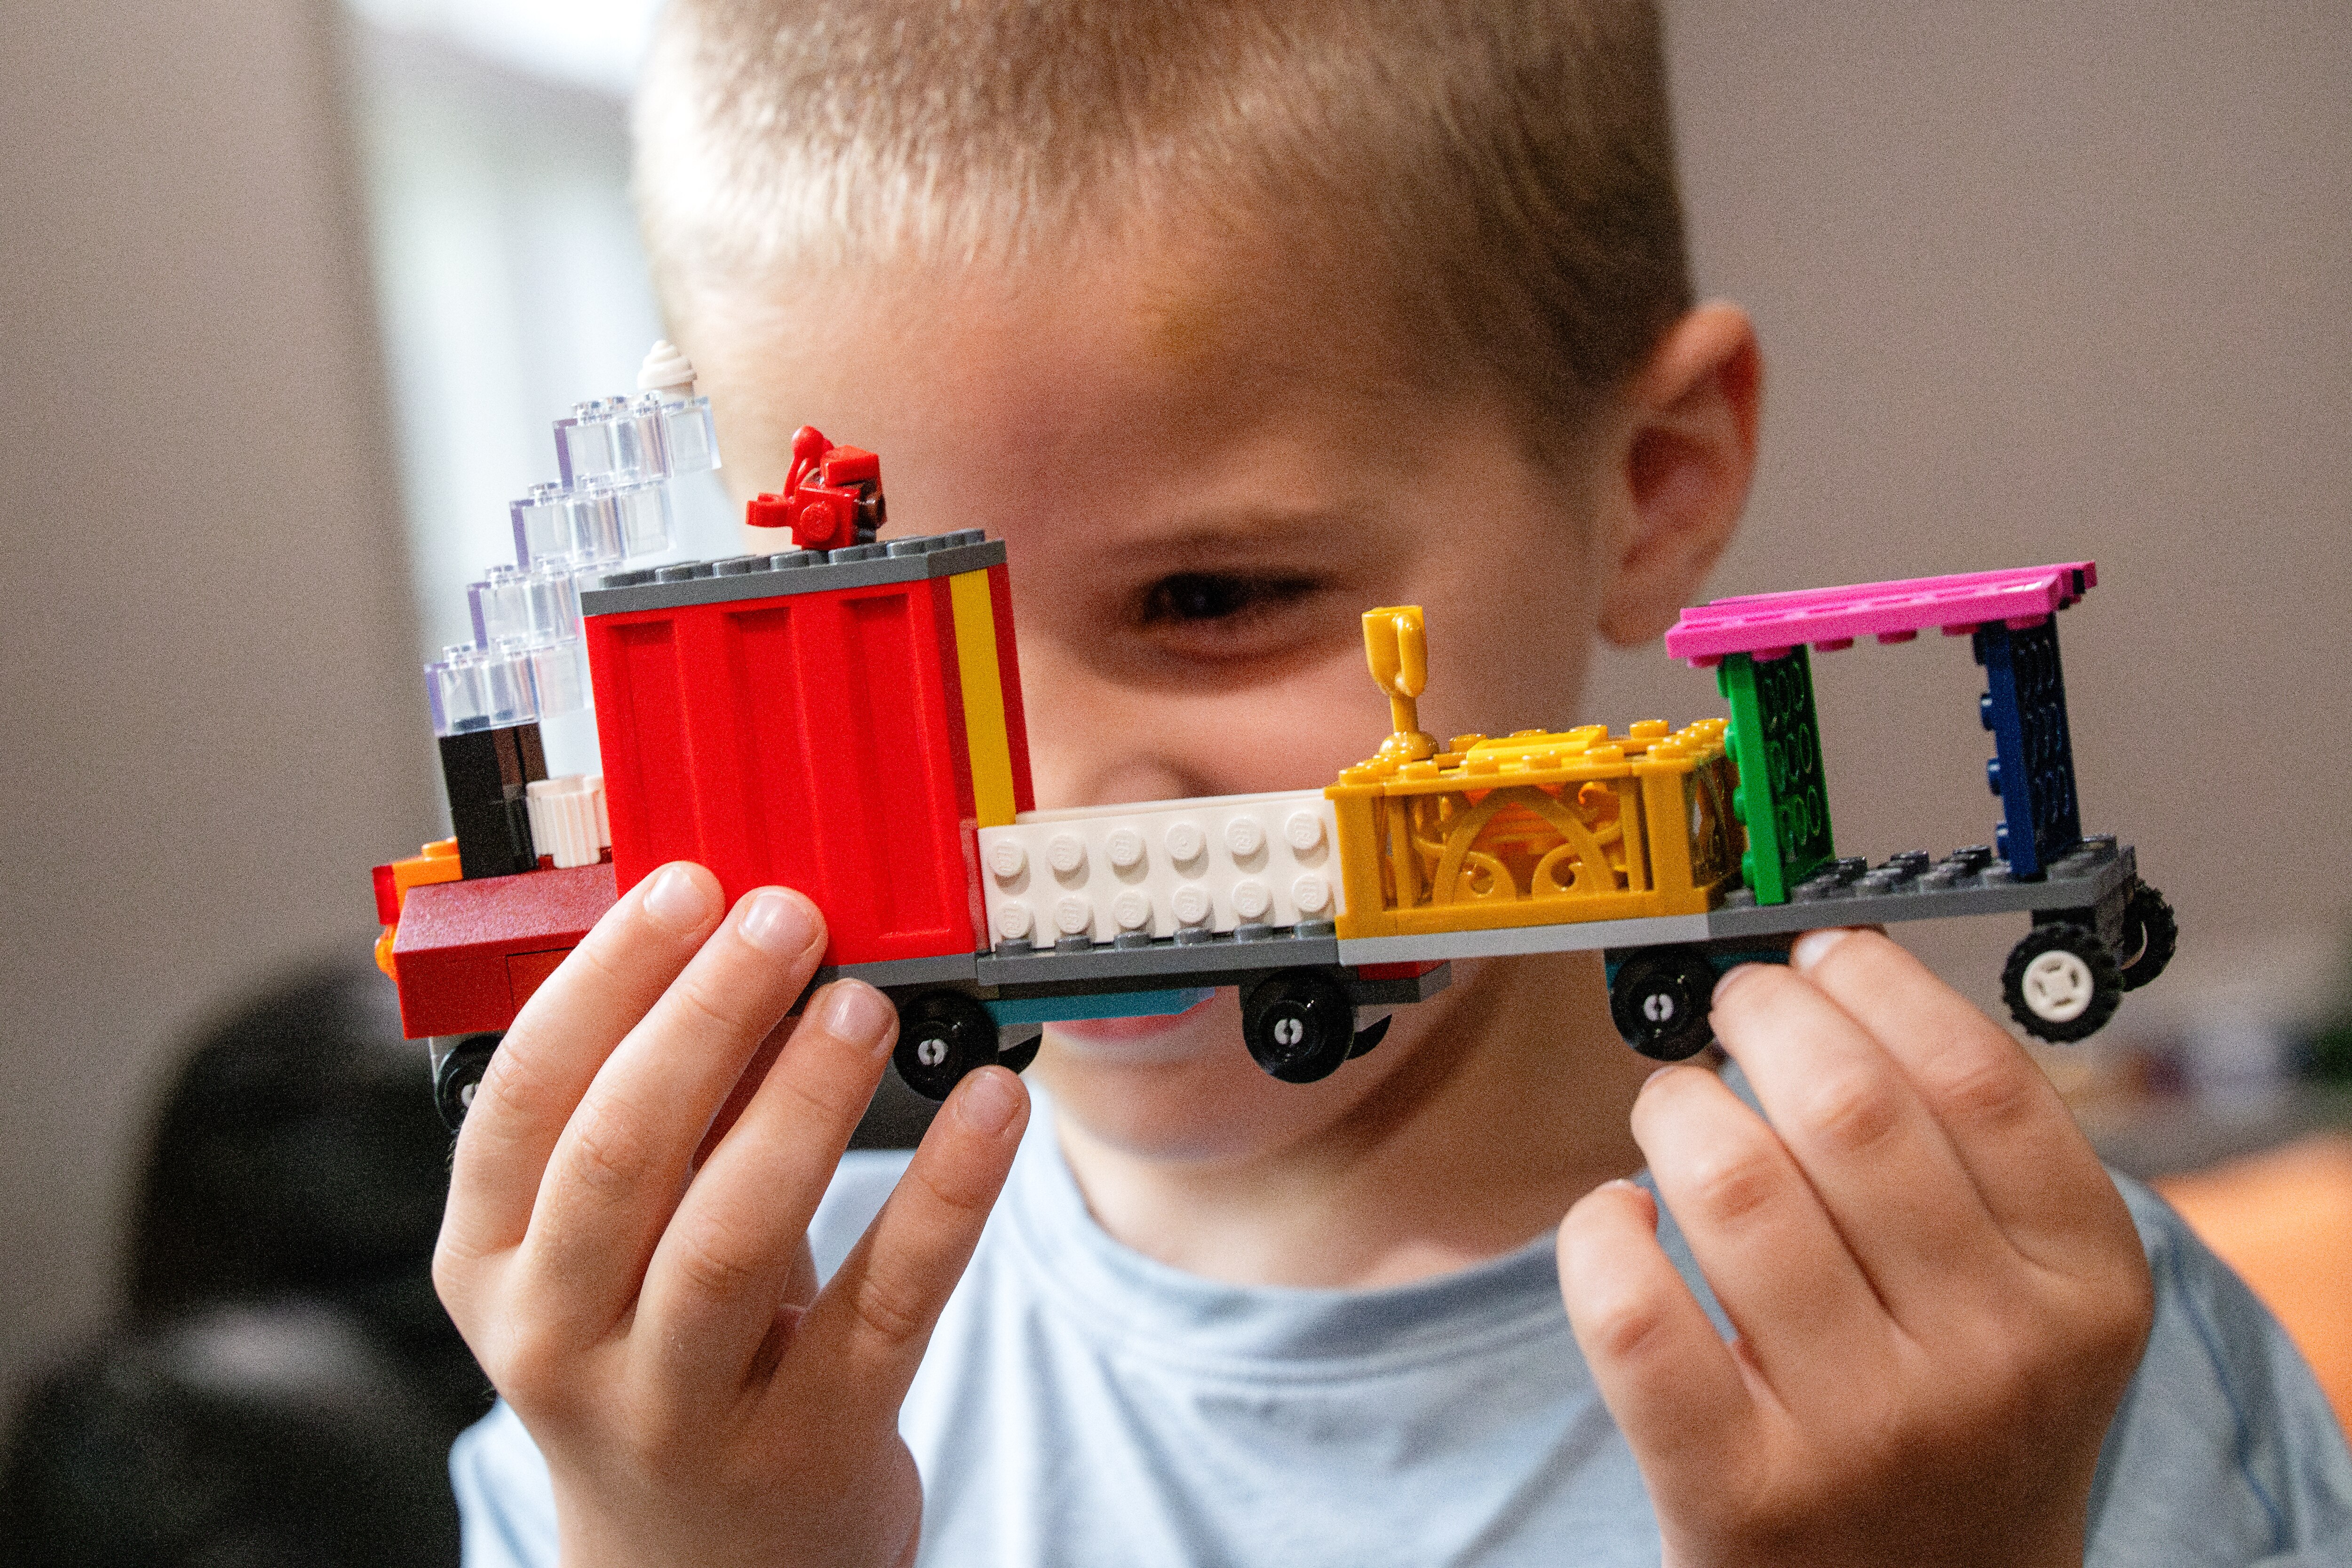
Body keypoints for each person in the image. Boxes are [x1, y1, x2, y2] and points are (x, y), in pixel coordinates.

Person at [436, 2, 2352, 1564]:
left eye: (1210, 598)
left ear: (1649, 484)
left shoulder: (2031, 1372)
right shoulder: (663, 1401)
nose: (1046, 804)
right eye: (875, 645)